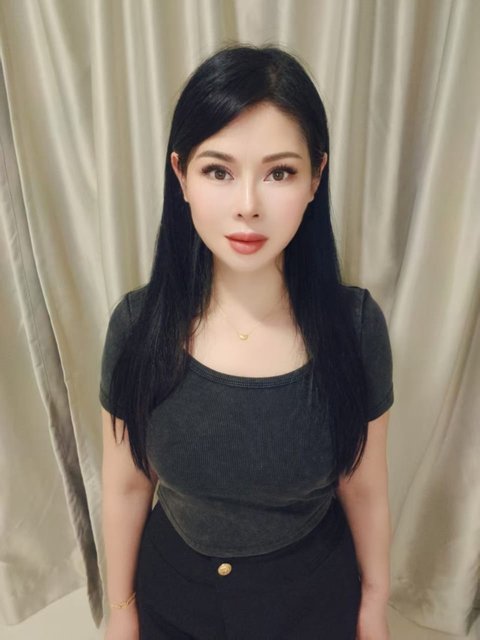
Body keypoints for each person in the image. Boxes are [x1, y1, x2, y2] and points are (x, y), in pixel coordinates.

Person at [100, 43, 394, 640]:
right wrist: (121, 608)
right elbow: (127, 484)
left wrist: (375, 604)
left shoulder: (356, 325)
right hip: (172, 599)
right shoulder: (137, 325)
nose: (248, 206)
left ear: (316, 178)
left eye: (280, 172)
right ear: (181, 176)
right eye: (219, 171)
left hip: (313, 602)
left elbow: (363, 487)